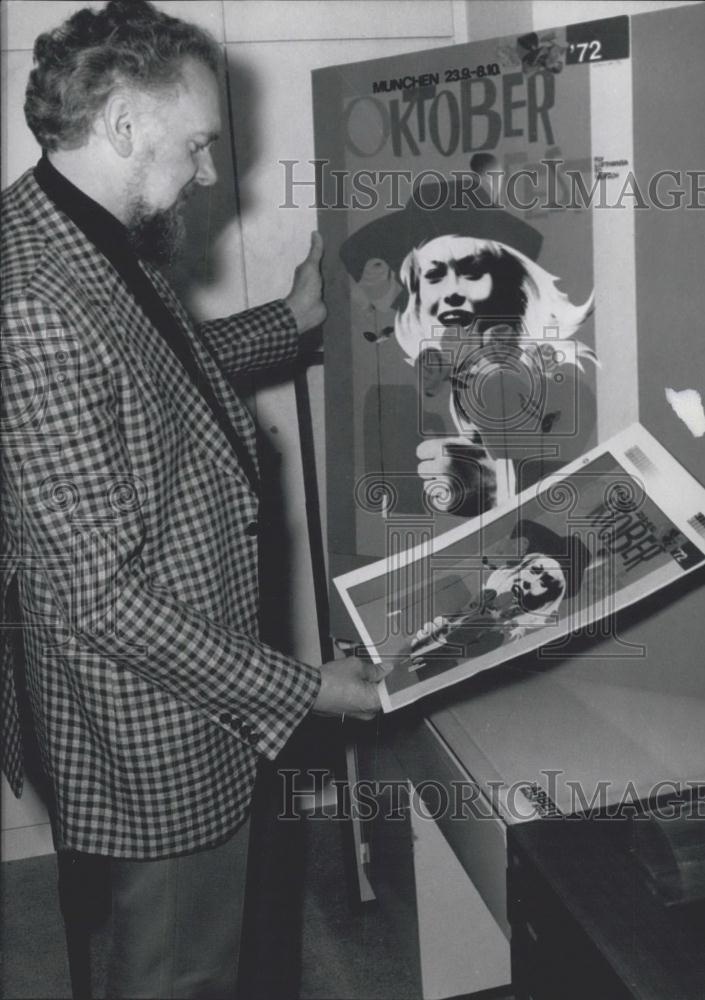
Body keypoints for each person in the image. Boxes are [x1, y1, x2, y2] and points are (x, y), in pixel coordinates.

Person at [0, 2, 386, 996]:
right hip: (147, 729)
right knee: (175, 968)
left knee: (179, 949)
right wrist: (305, 688)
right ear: (125, 124)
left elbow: (146, 380)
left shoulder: (77, 222)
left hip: (178, 689)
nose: (213, 175)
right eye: (200, 146)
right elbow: (99, 596)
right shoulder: (36, 299)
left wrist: (288, 321)